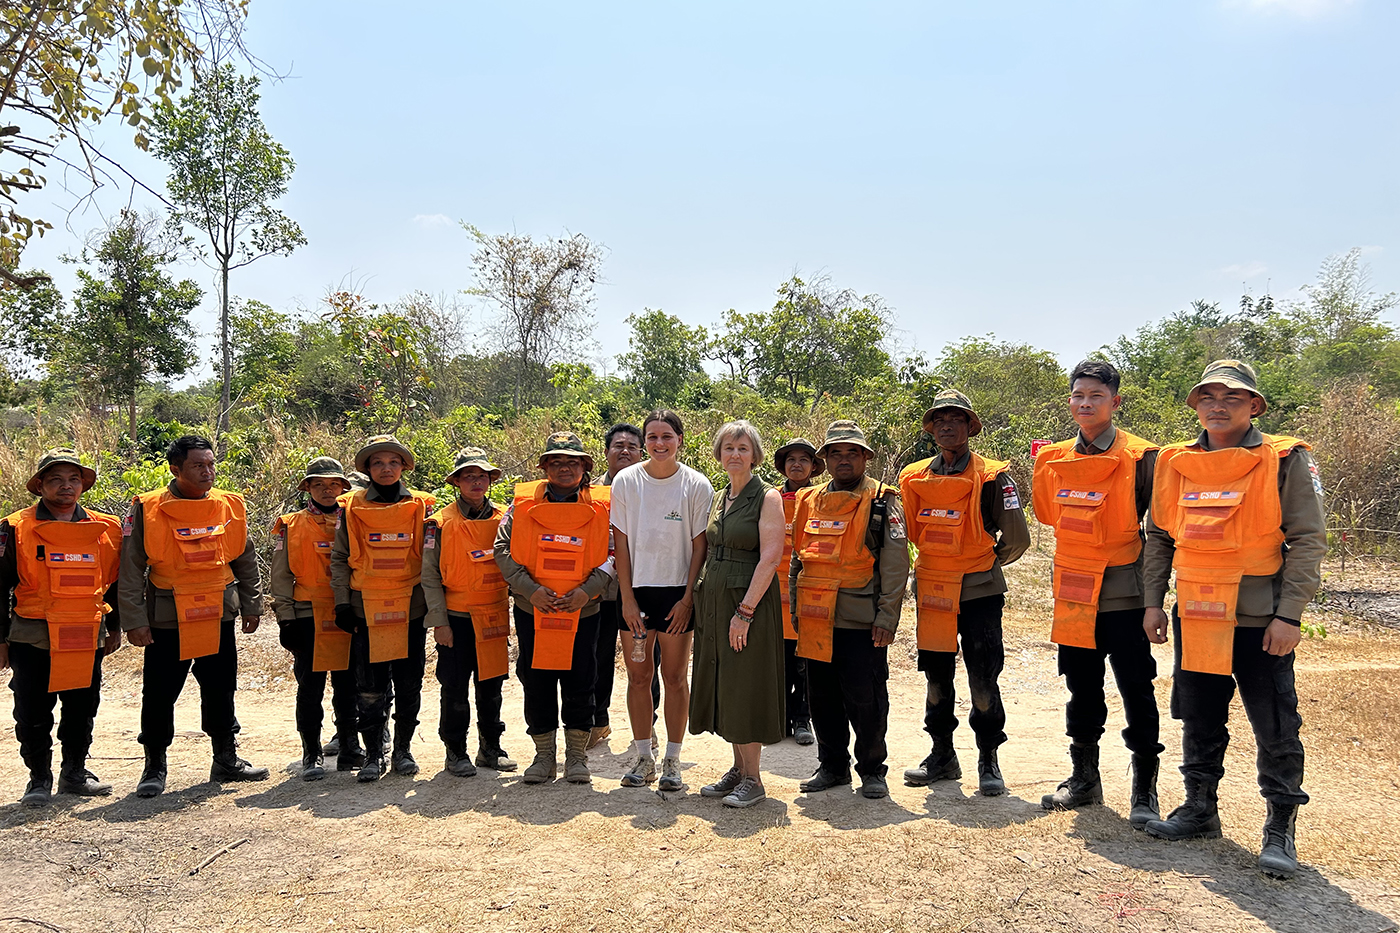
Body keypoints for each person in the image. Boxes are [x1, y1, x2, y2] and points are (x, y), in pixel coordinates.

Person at [1141, 360, 1326, 879]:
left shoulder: (1284, 459)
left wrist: (1289, 615)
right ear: (1195, 405)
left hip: (1260, 617)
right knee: (1198, 714)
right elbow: (1160, 537)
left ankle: (1280, 829)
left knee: (1275, 724)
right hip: (1196, 611)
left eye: (1232, 397)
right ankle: (1200, 809)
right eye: (1208, 397)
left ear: (1255, 406)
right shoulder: (1174, 462)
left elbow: (1308, 540)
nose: (1218, 406)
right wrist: (1154, 602)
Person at [1032, 361, 1163, 826]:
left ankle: (1144, 788)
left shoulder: (1145, 457)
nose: (1085, 404)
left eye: (1096, 396)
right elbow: (1048, 517)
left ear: (1115, 402)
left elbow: (1160, 531)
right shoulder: (1052, 458)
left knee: (1135, 686)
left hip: (1125, 588)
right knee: (1080, 686)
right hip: (1073, 587)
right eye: (1078, 396)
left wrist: (1154, 600)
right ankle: (1084, 778)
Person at [118, 435, 268, 797]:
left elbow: (244, 558)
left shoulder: (228, 505)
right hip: (167, 617)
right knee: (159, 692)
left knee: (221, 687)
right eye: (198, 465)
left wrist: (252, 603)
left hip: (217, 613)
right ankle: (154, 765)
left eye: (211, 464)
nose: (208, 471)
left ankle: (225, 758)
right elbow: (131, 567)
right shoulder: (149, 508)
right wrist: (134, 620)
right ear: (175, 468)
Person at [900, 390, 1029, 796]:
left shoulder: (993, 476)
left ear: (970, 426)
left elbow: (1016, 539)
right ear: (931, 429)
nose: (947, 425)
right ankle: (942, 755)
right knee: (937, 677)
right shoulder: (914, 476)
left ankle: (988, 759)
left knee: (983, 678)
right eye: (939, 420)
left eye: (956, 418)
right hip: (934, 588)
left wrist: (979, 564)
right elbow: (907, 531)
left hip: (979, 593)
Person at [790, 420, 909, 800]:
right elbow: (798, 560)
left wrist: (888, 616)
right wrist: (796, 609)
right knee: (822, 697)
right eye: (836, 453)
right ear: (824, 459)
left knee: (867, 699)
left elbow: (895, 564)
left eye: (852, 452)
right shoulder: (808, 500)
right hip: (815, 618)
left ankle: (873, 770)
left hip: (862, 621)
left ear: (865, 457)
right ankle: (833, 767)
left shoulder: (883, 500)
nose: (844, 460)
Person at [1, 449, 122, 806]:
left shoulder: (106, 528)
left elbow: (113, 581)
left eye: (73, 479)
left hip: (85, 632)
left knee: (82, 705)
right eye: (55, 479)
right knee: (32, 709)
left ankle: (74, 773)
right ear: (40, 486)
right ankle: (38, 778)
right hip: (32, 634)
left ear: (83, 485)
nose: (66, 486)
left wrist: (114, 626)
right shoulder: (15, 527)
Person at [495, 432, 613, 784]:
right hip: (534, 611)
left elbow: (614, 553)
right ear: (544, 466)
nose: (564, 468)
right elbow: (502, 549)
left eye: (572, 462)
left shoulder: (602, 506)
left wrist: (587, 592)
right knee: (538, 680)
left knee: (582, 680)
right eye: (557, 461)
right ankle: (543, 756)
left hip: (584, 610)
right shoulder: (522, 505)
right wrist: (531, 591)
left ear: (585, 468)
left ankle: (577, 757)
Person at [610, 410, 713, 792]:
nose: (659, 444)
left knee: (673, 677)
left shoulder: (696, 485)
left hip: (676, 594)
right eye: (651, 437)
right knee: (639, 677)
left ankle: (672, 759)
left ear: (679, 440)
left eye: (666, 436)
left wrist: (688, 598)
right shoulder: (626, 481)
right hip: (636, 593)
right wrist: (626, 600)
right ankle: (643, 757)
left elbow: (699, 545)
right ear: (644, 442)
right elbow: (620, 544)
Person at [690, 421, 786, 807]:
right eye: (728, 447)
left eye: (743, 448)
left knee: (746, 682)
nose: (735, 454)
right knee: (725, 681)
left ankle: (755, 779)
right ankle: (737, 769)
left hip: (748, 602)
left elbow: (771, 557)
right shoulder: (719, 496)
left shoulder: (768, 497)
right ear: (718, 452)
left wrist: (744, 612)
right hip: (714, 600)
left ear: (755, 454)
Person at [330, 435, 436, 782]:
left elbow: (434, 560)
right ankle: (374, 754)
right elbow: (341, 559)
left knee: (409, 684)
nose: (386, 468)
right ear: (368, 469)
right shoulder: (351, 508)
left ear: (404, 466)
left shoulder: (423, 506)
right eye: (378, 463)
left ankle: (403, 750)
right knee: (369, 687)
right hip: (366, 609)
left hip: (411, 607)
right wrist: (343, 603)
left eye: (393, 462)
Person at [422, 447, 515, 776]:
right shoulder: (439, 523)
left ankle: (491, 748)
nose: (477, 481)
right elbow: (429, 576)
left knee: (491, 687)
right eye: (469, 476)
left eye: (482, 476)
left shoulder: (504, 518)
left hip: (493, 616)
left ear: (490, 480)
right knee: (455, 688)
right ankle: (455, 751)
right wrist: (439, 623)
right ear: (457, 481)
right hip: (456, 618)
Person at [270, 457, 362, 780]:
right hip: (307, 615)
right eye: (319, 484)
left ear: (343, 488)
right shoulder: (290, 525)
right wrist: (286, 619)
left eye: (334, 484)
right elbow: (280, 577)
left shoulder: (353, 521)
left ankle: (350, 746)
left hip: (346, 613)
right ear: (307, 487)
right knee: (310, 687)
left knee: (348, 684)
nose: (327, 490)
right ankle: (312, 753)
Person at [587, 423, 660, 751]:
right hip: (601, 589)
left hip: (644, 586)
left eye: (633, 446)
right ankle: (597, 722)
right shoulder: (589, 493)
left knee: (647, 658)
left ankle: (650, 724)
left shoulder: (655, 490)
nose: (625, 450)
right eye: (618, 445)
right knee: (597, 656)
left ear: (642, 453)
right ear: (606, 452)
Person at [773, 438, 822, 746]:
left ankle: (803, 718)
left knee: (805, 661)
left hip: (808, 588)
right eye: (791, 459)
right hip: (773, 590)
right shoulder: (769, 498)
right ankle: (779, 718)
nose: (797, 464)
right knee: (778, 660)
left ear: (814, 467)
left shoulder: (822, 499)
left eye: (804, 459)